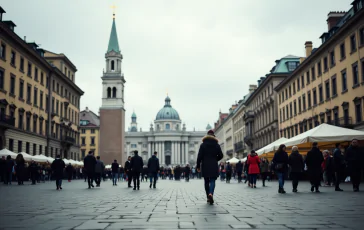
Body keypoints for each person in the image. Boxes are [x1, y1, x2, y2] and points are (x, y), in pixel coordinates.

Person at [196, 130, 223, 205]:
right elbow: (221, 155)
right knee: (213, 180)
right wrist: (215, 159)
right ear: (214, 136)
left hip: (205, 165)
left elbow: (199, 156)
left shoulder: (203, 145)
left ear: (207, 136)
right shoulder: (217, 145)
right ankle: (211, 193)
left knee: (206, 181)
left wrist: (198, 166)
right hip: (213, 164)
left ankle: (208, 196)